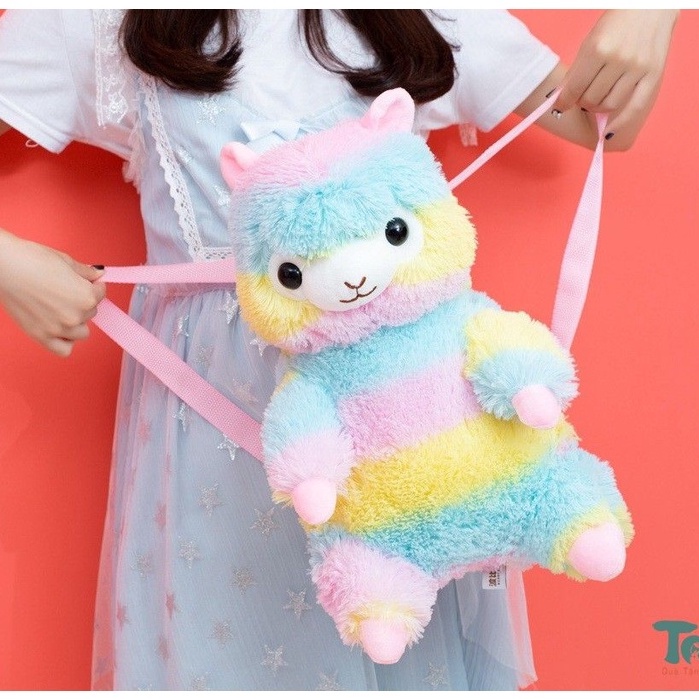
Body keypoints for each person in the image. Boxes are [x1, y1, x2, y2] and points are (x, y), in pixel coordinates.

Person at [0, 9, 677, 691]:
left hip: (405, 430)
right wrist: (10, 264)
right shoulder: (100, 21)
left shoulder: (421, 15)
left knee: (394, 629)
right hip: (216, 419)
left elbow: (603, 124)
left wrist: (653, 13)